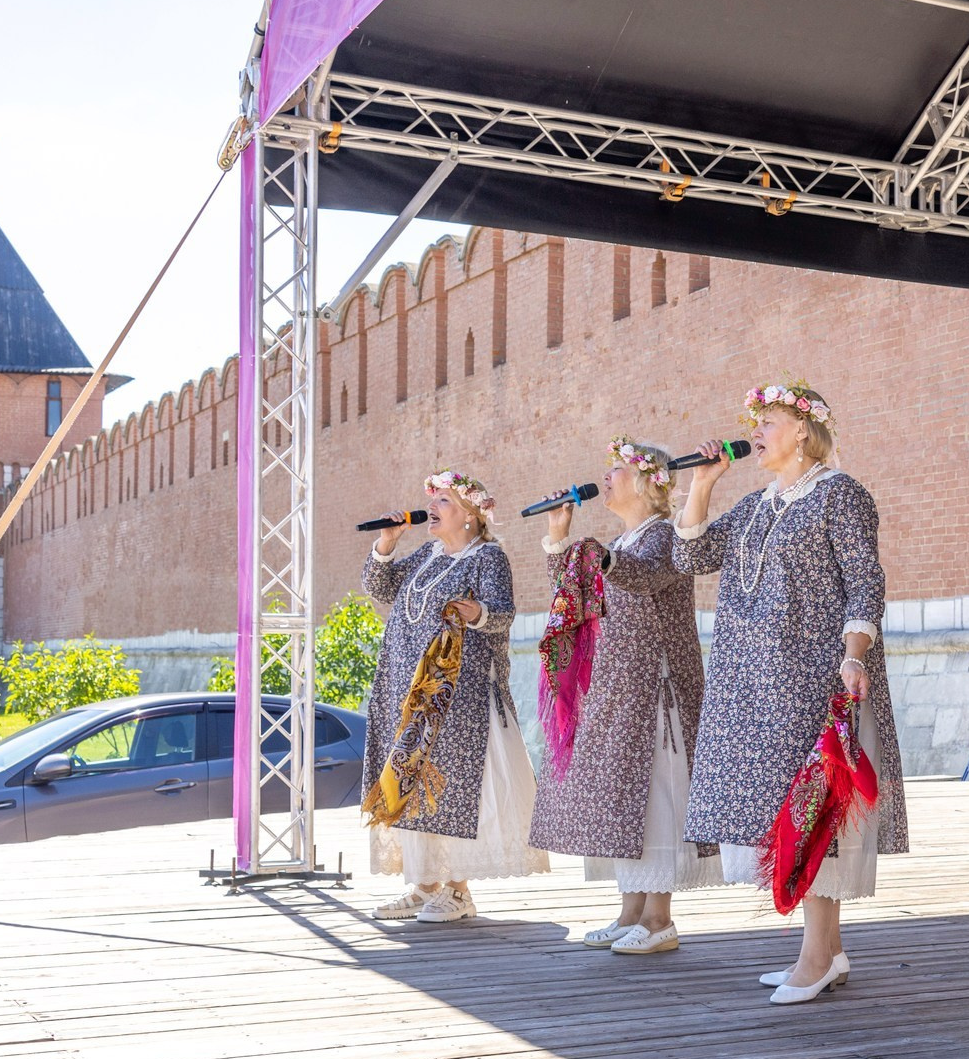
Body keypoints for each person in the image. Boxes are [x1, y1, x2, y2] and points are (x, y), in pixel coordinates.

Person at [674, 382, 907, 1004]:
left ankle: (818, 953)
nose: (758, 431)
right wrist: (702, 483)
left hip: (807, 676)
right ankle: (824, 951)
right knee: (772, 811)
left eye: (768, 421)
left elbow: (865, 582)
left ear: (803, 430)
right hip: (747, 682)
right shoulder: (754, 505)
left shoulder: (840, 496)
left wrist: (854, 655)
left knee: (811, 808)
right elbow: (690, 554)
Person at [527, 439, 710, 955]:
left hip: (655, 685)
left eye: (616, 470)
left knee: (655, 795)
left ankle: (659, 919)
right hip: (615, 687)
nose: (605, 477)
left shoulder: (666, 536)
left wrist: (600, 556)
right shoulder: (623, 539)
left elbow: (647, 578)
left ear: (649, 482)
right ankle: (631, 910)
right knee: (622, 797)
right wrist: (560, 538)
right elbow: (572, 594)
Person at [361, 469, 546, 923]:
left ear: (469, 516)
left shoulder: (488, 557)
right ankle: (425, 885)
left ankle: (459, 890)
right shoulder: (426, 554)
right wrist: (387, 542)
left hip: (457, 697)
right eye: (435, 500)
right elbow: (380, 588)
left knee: (454, 787)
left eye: (444, 501)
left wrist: (479, 612)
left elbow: (504, 615)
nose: (434, 508)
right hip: (407, 691)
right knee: (413, 783)